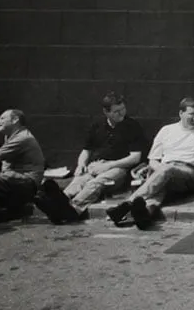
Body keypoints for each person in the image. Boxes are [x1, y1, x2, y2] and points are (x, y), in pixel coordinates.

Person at [106, 97, 194, 230]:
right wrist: (160, 171)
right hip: (163, 170)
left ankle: (126, 204)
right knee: (161, 184)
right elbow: (153, 159)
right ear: (181, 114)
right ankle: (145, 215)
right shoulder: (167, 130)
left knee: (166, 171)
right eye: (191, 114)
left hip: (188, 173)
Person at [35, 92, 147, 224]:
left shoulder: (132, 126)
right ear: (106, 112)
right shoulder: (97, 125)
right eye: (117, 111)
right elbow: (86, 150)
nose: (121, 113)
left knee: (95, 183)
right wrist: (81, 164)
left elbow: (135, 158)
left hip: (119, 168)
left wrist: (108, 166)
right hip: (96, 164)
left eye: (123, 109)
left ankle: (74, 209)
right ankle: (59, 203)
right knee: (80, 180)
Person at [0, 109, 44, 226]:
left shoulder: (22, 138)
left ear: (15, 120)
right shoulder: (12, 136)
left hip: (25, 185)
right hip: (15, 181)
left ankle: (16, 210)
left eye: (2, 118)